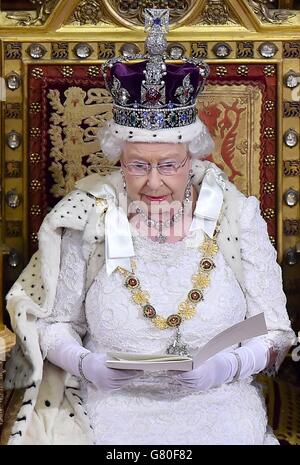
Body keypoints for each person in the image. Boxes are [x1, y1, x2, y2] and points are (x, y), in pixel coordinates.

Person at [2, 9, 295, 445]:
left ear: (193, 159)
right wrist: (85, 365)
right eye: (137, 164)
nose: (153, 181)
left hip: (220, 406)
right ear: (118, 157)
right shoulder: (88, 214)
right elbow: (55, 322)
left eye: (169, 166)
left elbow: (274, 327)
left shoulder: (235, 215)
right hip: (110, 410)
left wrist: (227, 367)